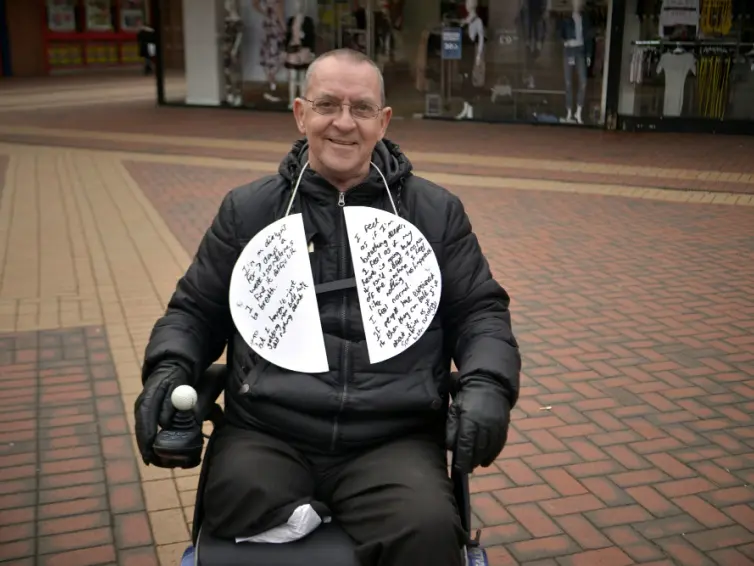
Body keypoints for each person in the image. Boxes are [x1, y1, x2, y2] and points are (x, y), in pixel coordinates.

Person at [134, 48, 521, 566]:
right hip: (269, 429)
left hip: (392, 436)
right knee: (232, 499)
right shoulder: (249, 211)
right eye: (327, 105)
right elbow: (196, 310)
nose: (343, 123)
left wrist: (489, 384)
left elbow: (480, 312)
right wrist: (169, 367)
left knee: (428, 533)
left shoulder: (435, 213)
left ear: (382, 121)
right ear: (301, 114)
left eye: (361, 108)